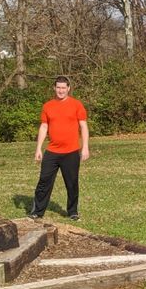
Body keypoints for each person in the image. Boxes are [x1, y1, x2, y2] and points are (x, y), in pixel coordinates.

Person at [28, 76, 89, 221]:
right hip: (52, 152)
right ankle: (37, 211)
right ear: (54, 88)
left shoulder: (77, 105)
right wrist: (38, 148)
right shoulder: (48, 106)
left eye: (63, 88)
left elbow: (83, 126)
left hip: (71, 152)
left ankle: (73, 212)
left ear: (68, 88)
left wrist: (85, 147)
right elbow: (44, 126)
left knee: (72, 182)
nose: (61, 90)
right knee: (44, 181)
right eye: (58, 87)